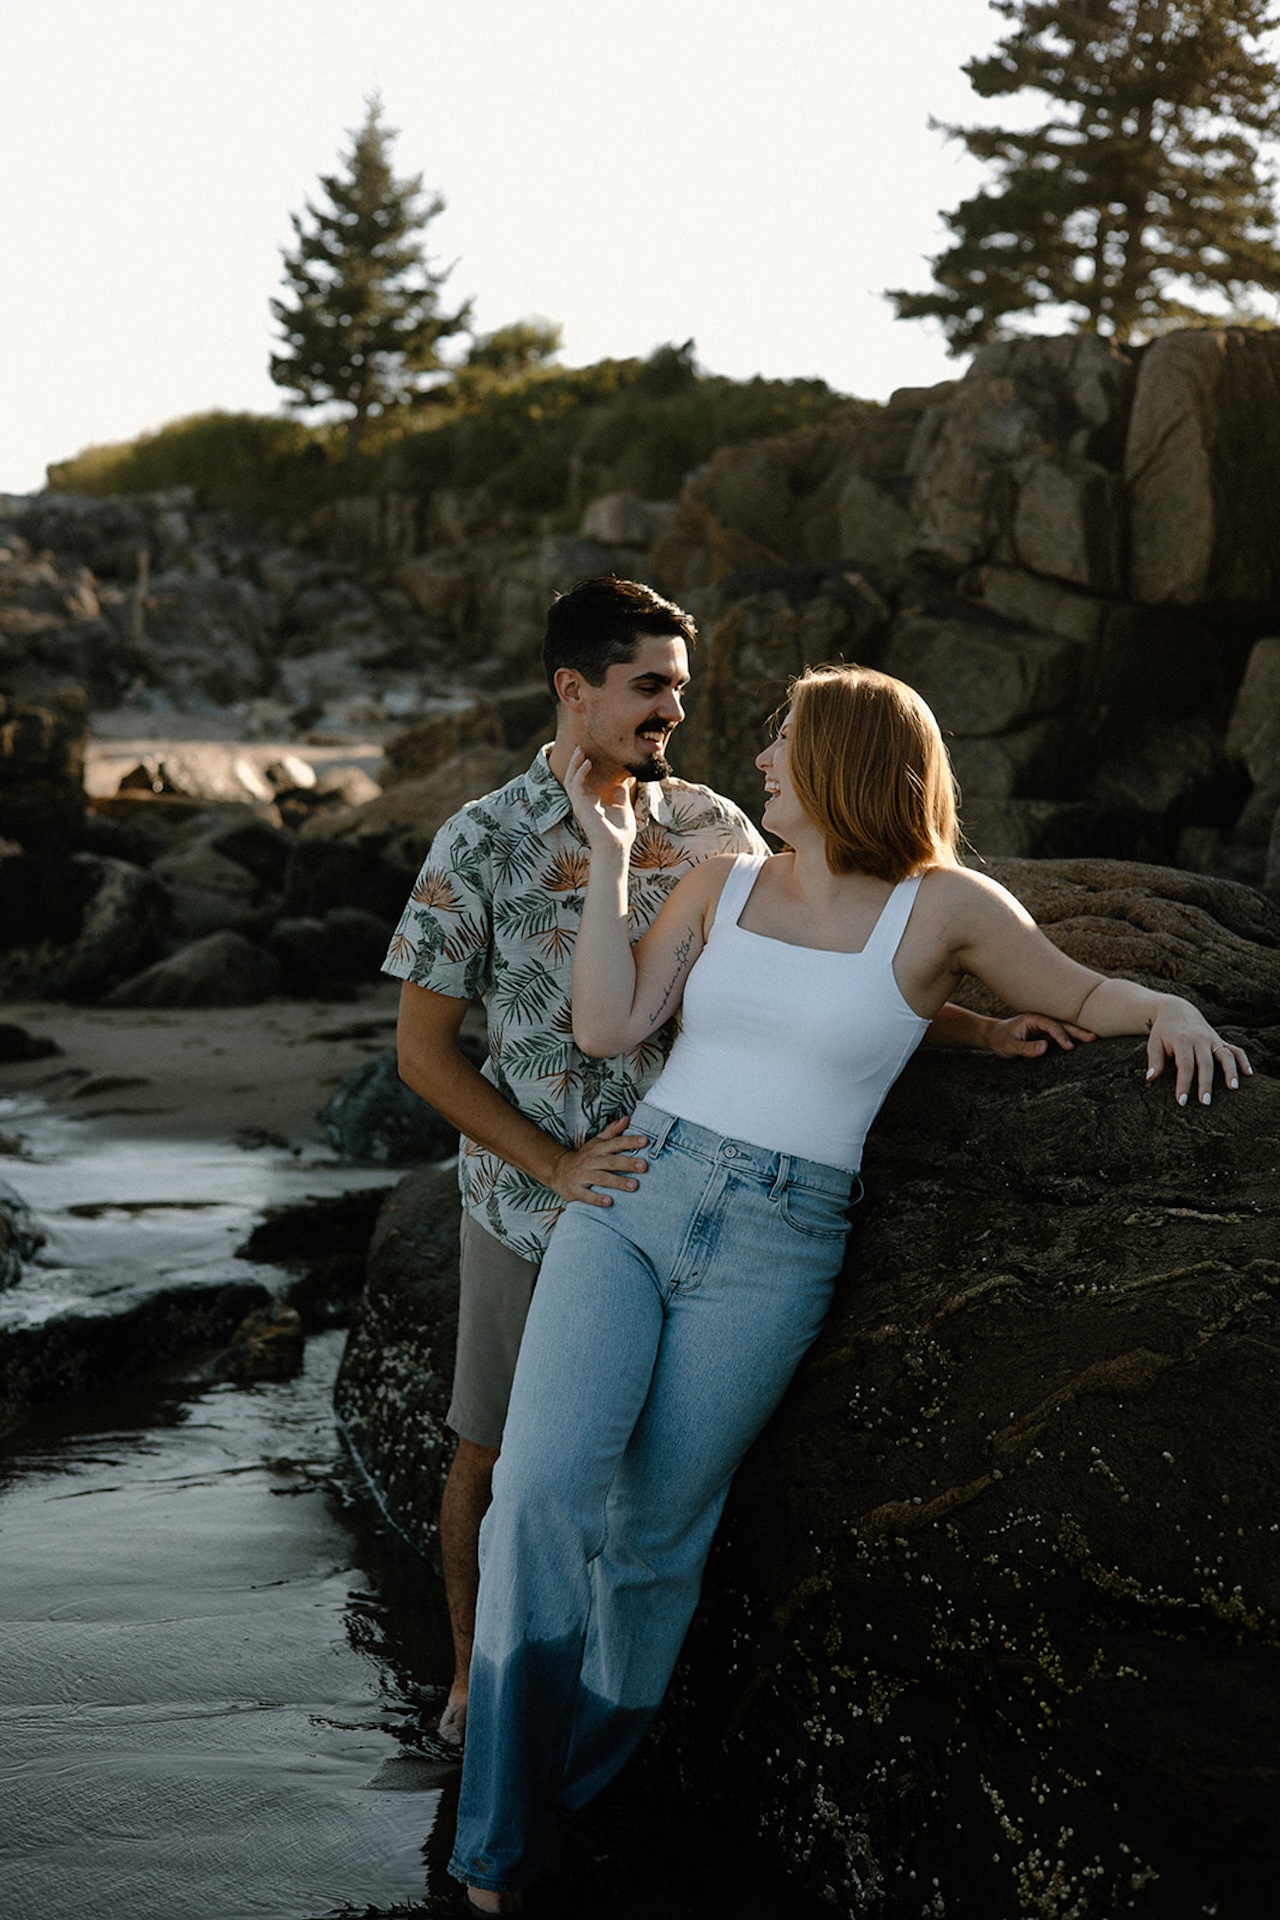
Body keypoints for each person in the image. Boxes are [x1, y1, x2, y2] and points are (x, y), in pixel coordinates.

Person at [450, 662, 1251, 1913]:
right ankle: (496, 1845)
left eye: (780, 741)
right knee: (541, 1495)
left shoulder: (943, 910)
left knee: (657, 1537)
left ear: (834, 763)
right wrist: (609, 859)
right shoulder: (720, 884)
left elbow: (1077, 993)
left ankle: (572, 1790)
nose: (759, 761)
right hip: (633, 1200)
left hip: (779, 1241)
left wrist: (1172, 1005)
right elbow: (606, 1030)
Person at [385, 579, 1091, 1753]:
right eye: (648, 686)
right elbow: (419, 1055)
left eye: (681, 685)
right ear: (573, 689)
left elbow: (827, 966)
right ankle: (475, 1681)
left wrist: (971, 1027)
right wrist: (553, 1169)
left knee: (648, 1499)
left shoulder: (716, 826)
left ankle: (601, 1713)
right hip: (531, 1201)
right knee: (498, 1454)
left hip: (694, 1182)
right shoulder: (477, 841)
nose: (673, 708)